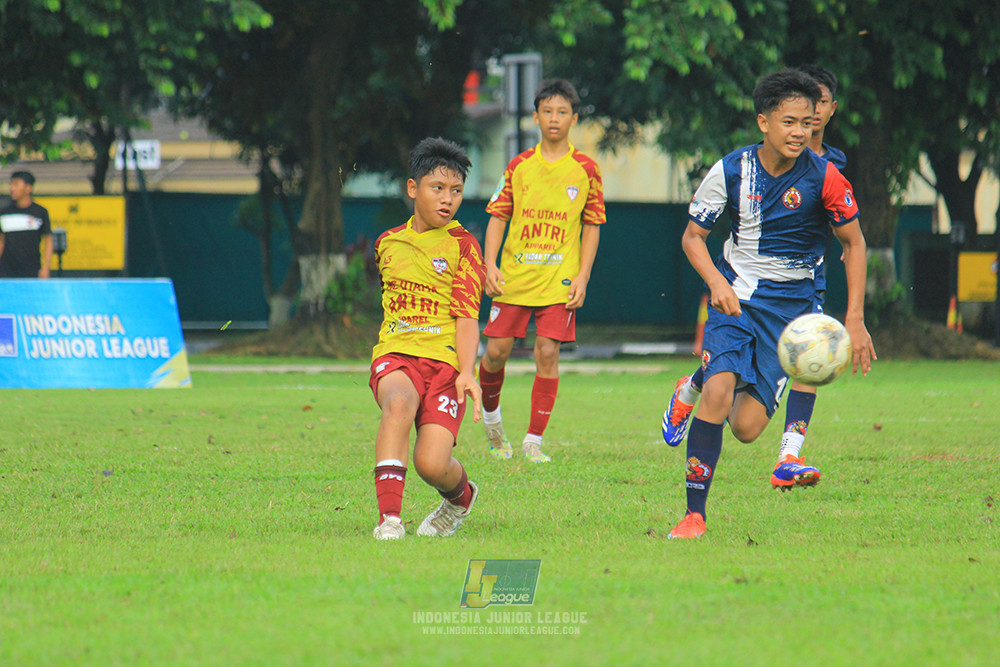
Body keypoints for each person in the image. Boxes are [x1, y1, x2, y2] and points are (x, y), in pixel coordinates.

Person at [663, 69, 876, 539]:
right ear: (764, 122)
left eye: (807, 122)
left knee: (746, 428)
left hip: (792, 315)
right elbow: (693, 237)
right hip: (736, 300)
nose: (799, 131)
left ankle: (693, 383)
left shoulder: (825, 176)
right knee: (719, 392)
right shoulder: (731, 170)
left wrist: (854, 318)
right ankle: (694, 514)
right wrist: (716, 282)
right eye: (789, 122)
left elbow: (855, 243)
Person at [477, 79, 606, 463]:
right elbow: (498, 217)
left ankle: (533, 441)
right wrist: (489, 264)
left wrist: (583, 276)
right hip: (515, 277)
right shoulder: (519, 166)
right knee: (495, 353)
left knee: (547, 353)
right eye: (547, 111)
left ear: (574, 119)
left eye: (562, 112)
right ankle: (493, 425)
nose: (554, 118)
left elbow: (592, 225)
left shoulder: (586, 169)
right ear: (535, 117)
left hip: (559, 280)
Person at [368, 137, 486, 540]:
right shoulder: (387, 244)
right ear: (413, 188)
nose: (448, 199)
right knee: (398, 404)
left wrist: (467, 371)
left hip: (445, 365)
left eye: (456, 191)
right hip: (397, 354)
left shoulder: (464, 246)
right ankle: (390, 520)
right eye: (438, 188)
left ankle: (461, 498)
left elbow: (467, 317)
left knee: (432, 465)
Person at [0, 171, 53, 278]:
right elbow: (1, 240)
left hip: (32, 271)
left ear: (28, 188)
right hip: (6, 272)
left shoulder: (40, 212)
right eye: (11, 184)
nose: (12, 188)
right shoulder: (4, 213)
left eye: (16, 184)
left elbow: (48, 240)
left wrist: (46, 267)